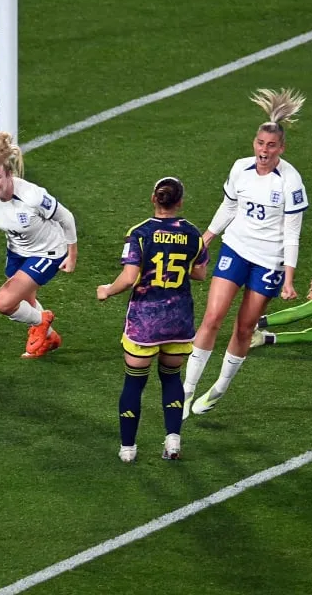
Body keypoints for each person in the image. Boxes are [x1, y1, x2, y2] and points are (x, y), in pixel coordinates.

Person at [182, 88, 309, 418]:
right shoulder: (241, 168)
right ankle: (186, 392)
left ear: (281, 148)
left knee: (243, 328)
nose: (263, 151)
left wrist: (289, 279)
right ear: (254, 142)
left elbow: (292, 232)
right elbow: (230, 205)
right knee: (212, 318)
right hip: (236, 248)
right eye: (260, 144)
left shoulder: (290, 182)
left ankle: (219, 388)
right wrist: (207, 237)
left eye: (271, 146)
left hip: (268, 261)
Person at [97, 177, 209, 463]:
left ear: (153, 199)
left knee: (134, 383)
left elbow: (129, 277)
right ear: (180, 202)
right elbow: (199, 273)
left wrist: (107, 290)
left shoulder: (140, 233)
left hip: (145, 322)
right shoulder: (193, 234)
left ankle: (128, 449)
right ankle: (173, 441)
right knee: (171, 378)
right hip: (179, 320)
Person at [0, 130, 79, 358]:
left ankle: (41, 322)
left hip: (48, 252)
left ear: (9, 174)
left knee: (4, 302)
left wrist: (72, 254)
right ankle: (49, 337)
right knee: (24, 299)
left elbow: (66, 217)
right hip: (17, 252)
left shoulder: (31, 196)